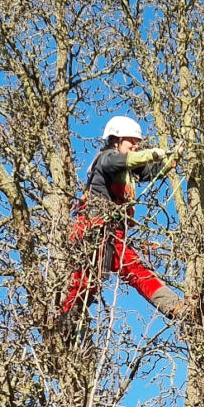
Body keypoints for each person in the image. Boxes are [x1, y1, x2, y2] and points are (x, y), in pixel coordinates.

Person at [59, 115, 184, 320]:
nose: (136, 145)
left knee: (133, 270)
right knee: (84, 279)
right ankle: (65, 319)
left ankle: (175, 307)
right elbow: (127, 160)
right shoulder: (107, 158)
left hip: (112, 232)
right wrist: (152, 153)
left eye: (138, 142)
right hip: (94, 228)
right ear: (116, 140)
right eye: (131, 141)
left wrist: (172, 159)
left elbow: (150, 170)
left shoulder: (126, 167)